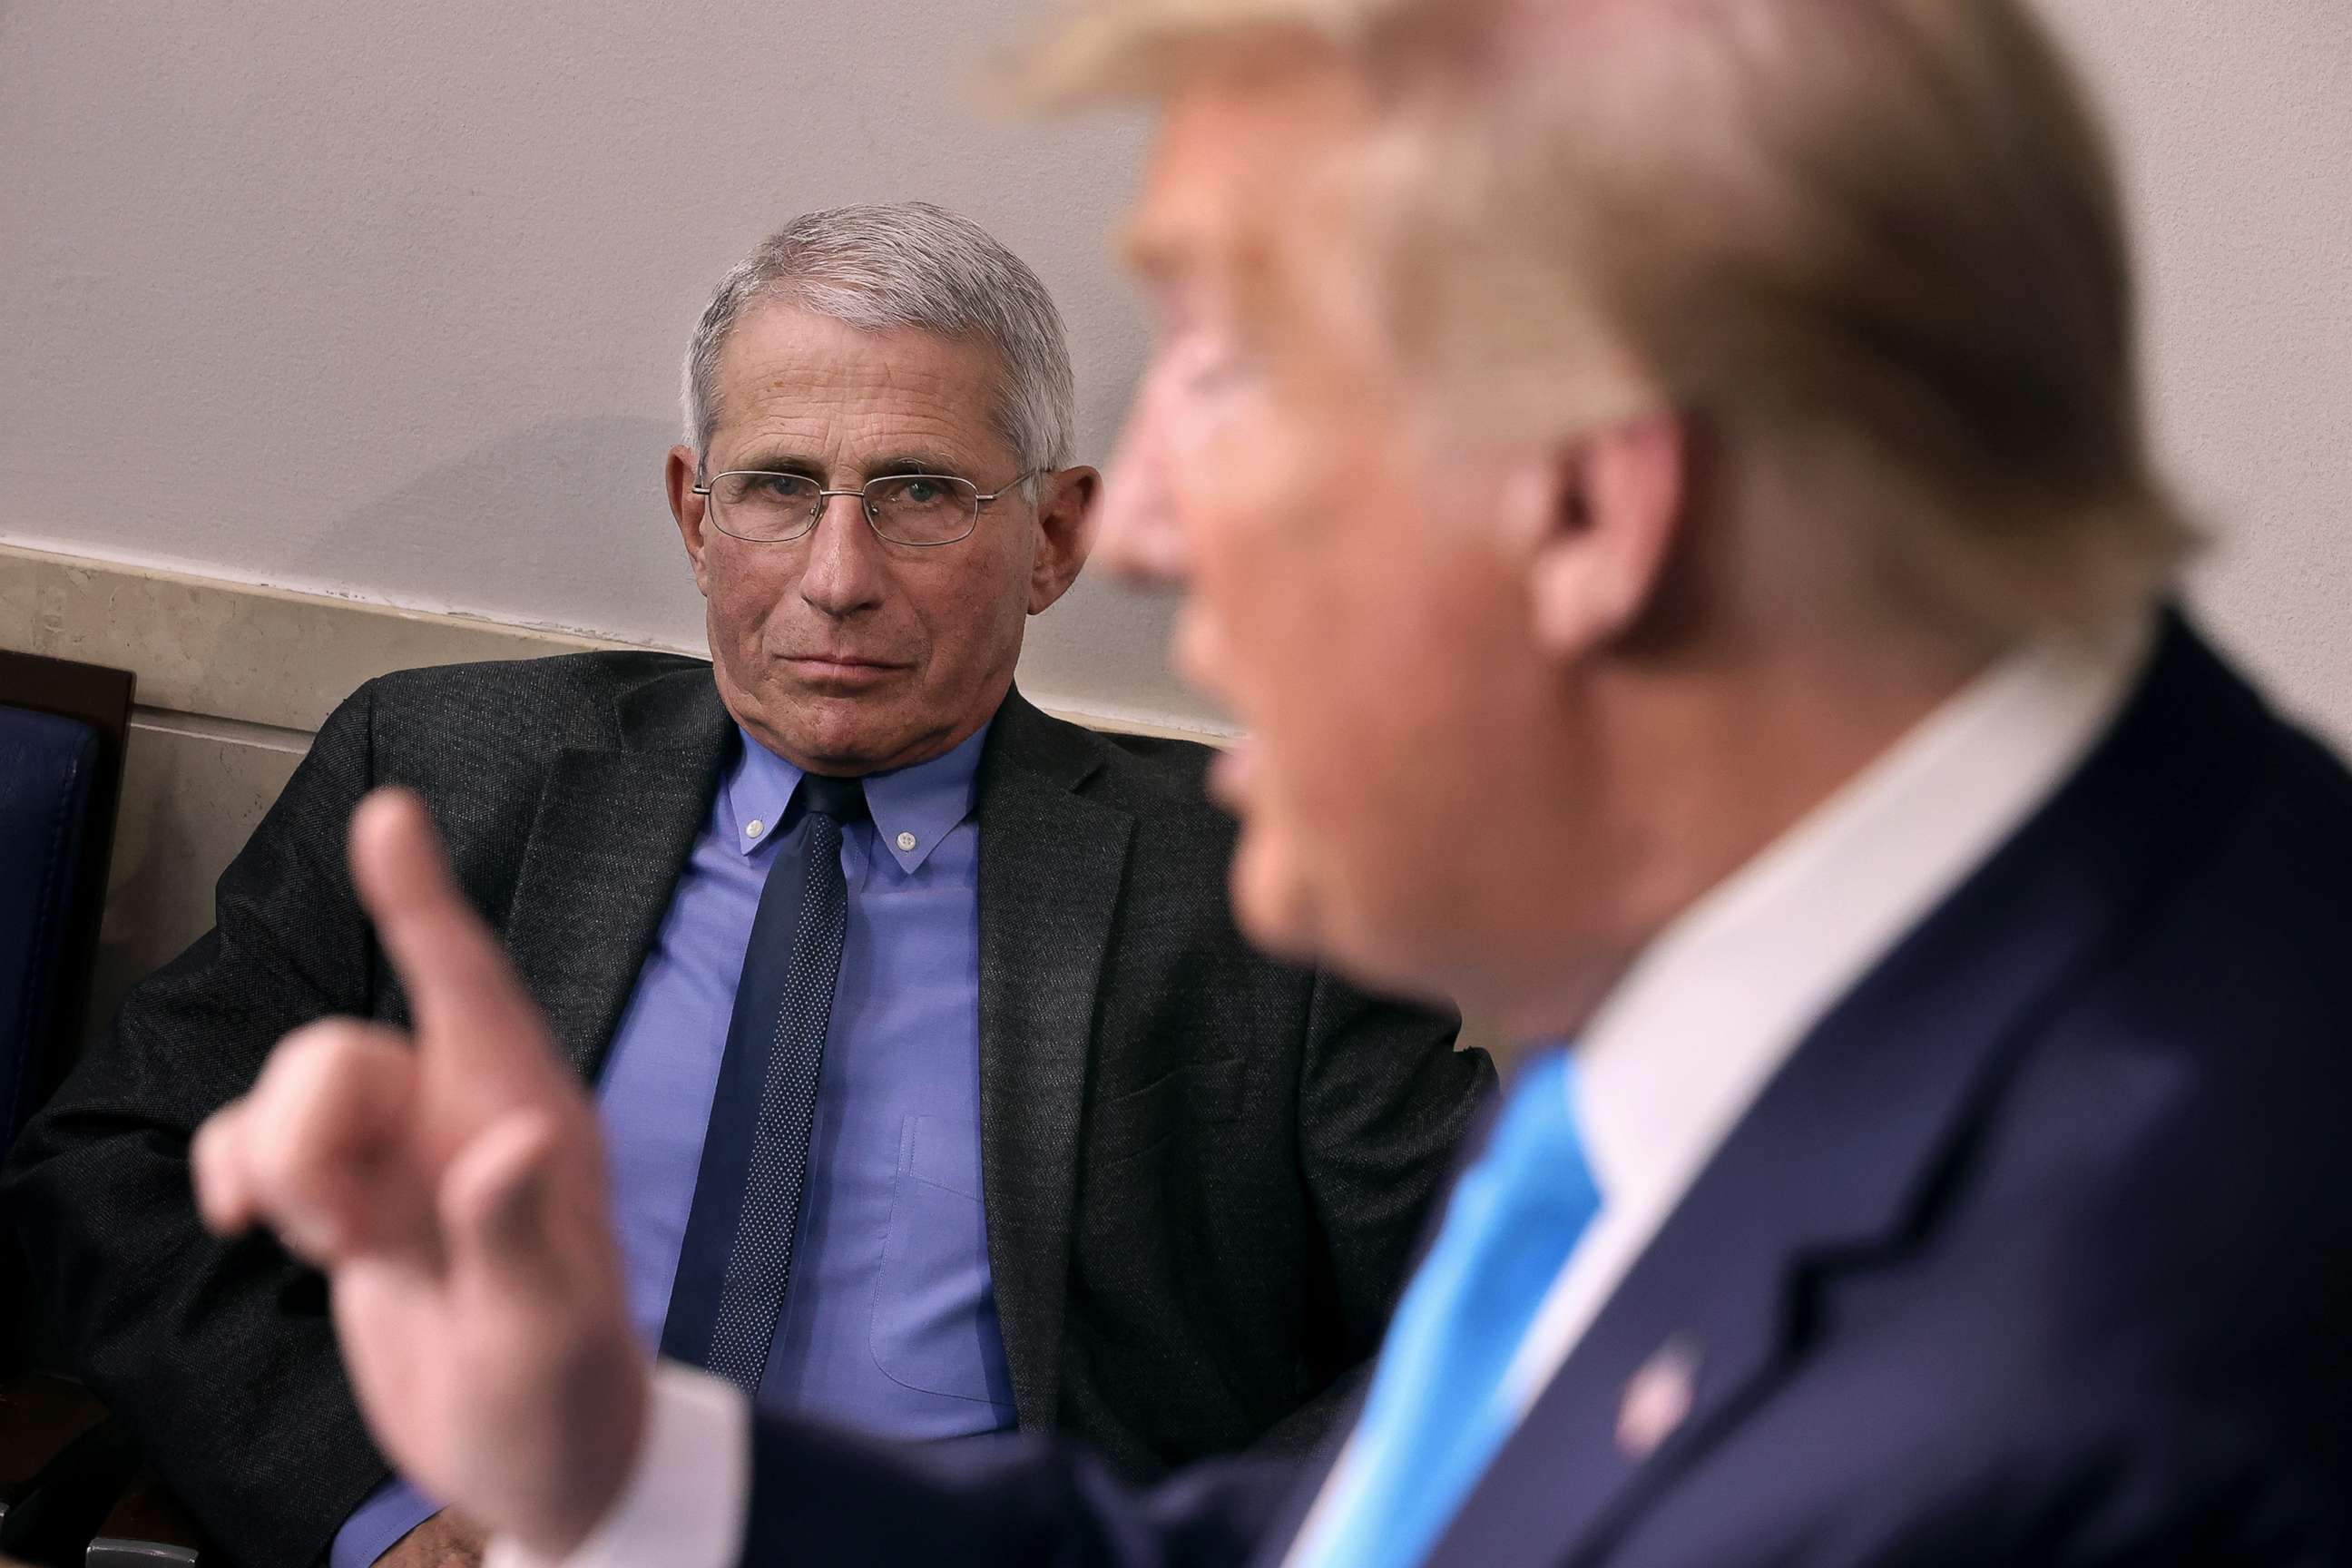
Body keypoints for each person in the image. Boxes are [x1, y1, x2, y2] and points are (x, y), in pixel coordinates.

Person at [187, 1, 2352, 1565]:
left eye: (1231, 369)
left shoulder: (2169, 1295)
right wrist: (630, 1476)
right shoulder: (1759, 1028)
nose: (1134, 536)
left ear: (1596, 503)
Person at [1, 202, 1485, 1568]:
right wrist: (376, 1515)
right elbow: (113, 1167)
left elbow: (1508, 1308)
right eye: (781, 487)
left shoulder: (1263, 895)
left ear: (1054, 536)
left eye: (919, 494)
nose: (838, 574)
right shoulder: (444, 774)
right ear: (694, 513)